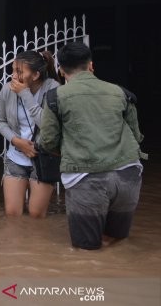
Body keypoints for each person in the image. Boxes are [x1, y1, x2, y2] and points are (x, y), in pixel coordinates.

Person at [39, 42, 145, 250]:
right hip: (128, 176)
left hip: (86, 180)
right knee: (118, 243)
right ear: (91, 66)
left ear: (61, 70)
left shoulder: (55, 97)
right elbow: (136, 136)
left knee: (86, 251)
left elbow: (48, 141)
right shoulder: (121, 93)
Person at [0, 50, 60, 218]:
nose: (14, 76)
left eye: (19, 72)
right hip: (16, 155)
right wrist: (16, 141)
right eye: (13, 70)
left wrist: (25, 95)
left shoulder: (53, 90)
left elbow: (47, 125)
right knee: (12, 214)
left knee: (36, 214)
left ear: (36, 75)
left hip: (43, 156)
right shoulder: (7, 90)